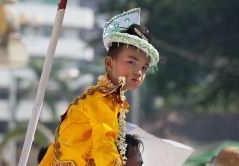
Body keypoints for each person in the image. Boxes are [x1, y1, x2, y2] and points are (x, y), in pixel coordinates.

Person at [39, 8, 159, 166]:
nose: (138, 72)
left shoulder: (110, 99)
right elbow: (104, 144)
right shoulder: (101, 99)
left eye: (144, 67)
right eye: (131, 62)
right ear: (109, 63)